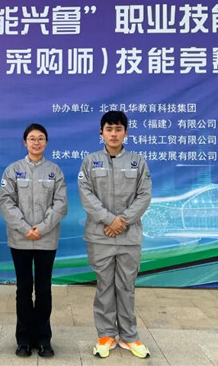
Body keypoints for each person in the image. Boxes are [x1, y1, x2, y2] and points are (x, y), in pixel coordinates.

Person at [77, 111, 152, 359]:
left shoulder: (137, 162)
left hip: (129, 237)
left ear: (126, 133)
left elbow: (144, 195)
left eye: (118, 129)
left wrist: (123, 221)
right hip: (100, 236)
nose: (113, 134)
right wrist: (109, 220)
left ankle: (129, 336)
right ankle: (106, 335)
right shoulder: (90, 161)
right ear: (101, 133)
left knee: (126, 287)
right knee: (105, 286)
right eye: (109, 129)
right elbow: (86, 194)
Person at [0, 123, 68, 358]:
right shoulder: (13, 170)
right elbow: (6, 202)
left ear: (46, 142)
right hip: (20, 239)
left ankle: (44, 339)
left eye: (40, 138)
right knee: (24, 289)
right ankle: (24, 340)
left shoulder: (55, 171)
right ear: (25, 142)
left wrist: (43, 228)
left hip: (47, 240)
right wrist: (25, 228)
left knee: (44, 289)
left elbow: (61, 204)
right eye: (32, 138)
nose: (36, 142)